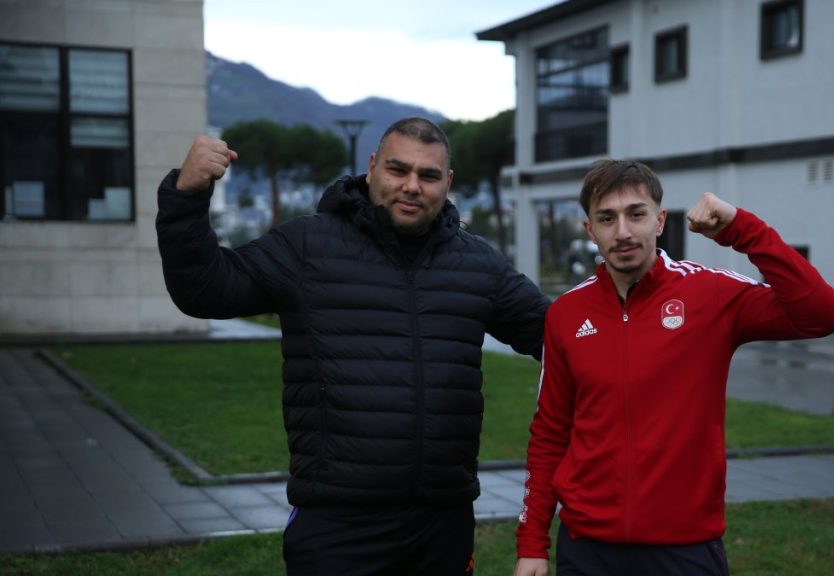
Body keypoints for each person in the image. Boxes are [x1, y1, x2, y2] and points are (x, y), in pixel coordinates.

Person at [155, 117, 550, 576]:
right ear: (372, 168)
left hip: (441, 522)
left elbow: (558, 335)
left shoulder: (478, 264)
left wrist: (635, 297)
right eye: (398, 170)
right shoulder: (308, 246)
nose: (411, 186)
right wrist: (186, 197)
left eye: (428, 175)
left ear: (448, 182)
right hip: (338, 522)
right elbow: (205, 288)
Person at [514, 160, 834, 576]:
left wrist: (742, 228)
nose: (622, 232)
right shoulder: (566, 314)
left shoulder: (710, 294)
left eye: (636, 214)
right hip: (587, 550)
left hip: (685, 549)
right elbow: (549, 434)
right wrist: (532, 544)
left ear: (659, 221)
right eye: (607, 218)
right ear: (589, 230)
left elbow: (823, 314)